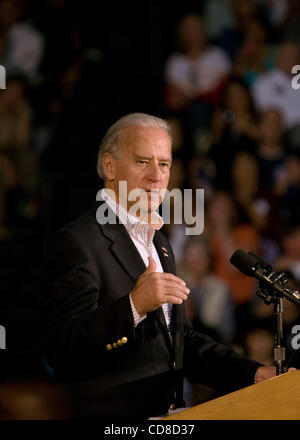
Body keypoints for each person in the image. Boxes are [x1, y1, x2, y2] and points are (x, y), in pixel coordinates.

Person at [44, 113, 276, 420]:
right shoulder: (78, 242)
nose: (157, 176)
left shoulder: (160, 243)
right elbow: (63, 348)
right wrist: (134, 305)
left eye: (164, 164)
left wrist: (252, 374)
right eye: (142, 162)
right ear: (110, 167)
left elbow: (180, 341)